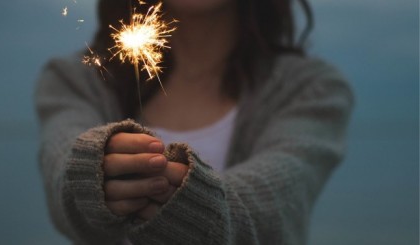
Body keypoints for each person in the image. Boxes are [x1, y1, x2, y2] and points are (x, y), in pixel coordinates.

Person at [35, 0, 354, 244]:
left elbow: (282, 196)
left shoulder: (310, 88)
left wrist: (195, 203)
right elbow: (63, 167)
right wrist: (91, 174)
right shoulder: (77, 79)